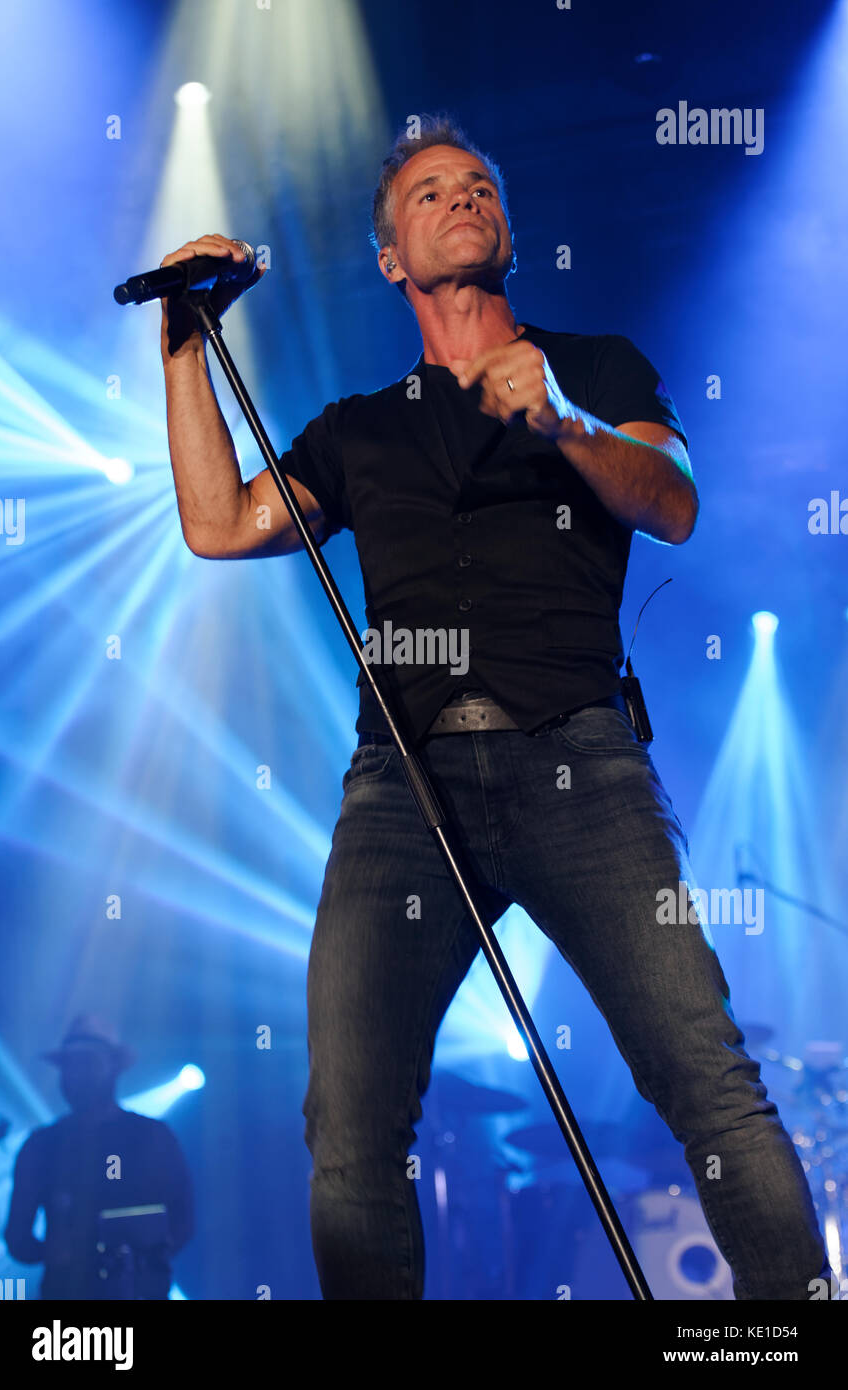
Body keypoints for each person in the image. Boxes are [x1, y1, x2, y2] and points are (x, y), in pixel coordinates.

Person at [158, 114, 832, 1300]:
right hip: (404, 788)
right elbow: (219, 525)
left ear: (507, 228)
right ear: (390, 258)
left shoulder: (596, 364)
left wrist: (563, 421)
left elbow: (671, 503)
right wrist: (183, 346)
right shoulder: (357, 427)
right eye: (429, 192)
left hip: (579, 762)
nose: (461, 198)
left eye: (478, 187)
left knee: (703, 1074)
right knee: (352, 1120)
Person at [4, 1013, 193, 1299]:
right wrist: (49, 1251)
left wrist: (142, 1258)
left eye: (87, 1063)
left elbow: (184, 1219)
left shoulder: (154, 1137)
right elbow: (17, 1237)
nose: (76, 1074)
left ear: (114, 1067)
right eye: (69, 1065)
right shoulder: (40, 1146)